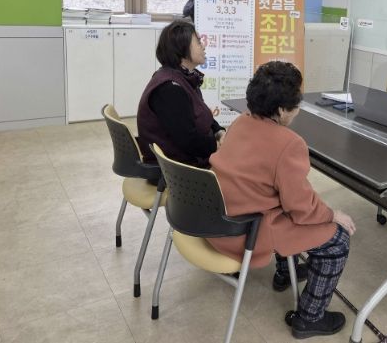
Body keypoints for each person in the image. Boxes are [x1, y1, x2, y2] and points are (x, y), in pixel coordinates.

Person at [208, 61, 356, 339]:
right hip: (248, 233)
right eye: (296, 104)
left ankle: (285, 273)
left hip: (218, 221)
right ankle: (310, 318)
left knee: (279, 203)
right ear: (281, 111)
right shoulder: (289, 143)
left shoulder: (240, 123)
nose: (298, 109)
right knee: (338, 241)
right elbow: (301, 208)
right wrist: (333, 214)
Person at [137, 19, 224, 168]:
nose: (203, 46)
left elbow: (201, 113)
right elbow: (188, 141)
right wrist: (218, 146)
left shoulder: (185, 77)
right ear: (181, 48)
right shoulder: (169, 89)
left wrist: (219, 132)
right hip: (177, 168)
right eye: (198, 42)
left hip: (185, 159)